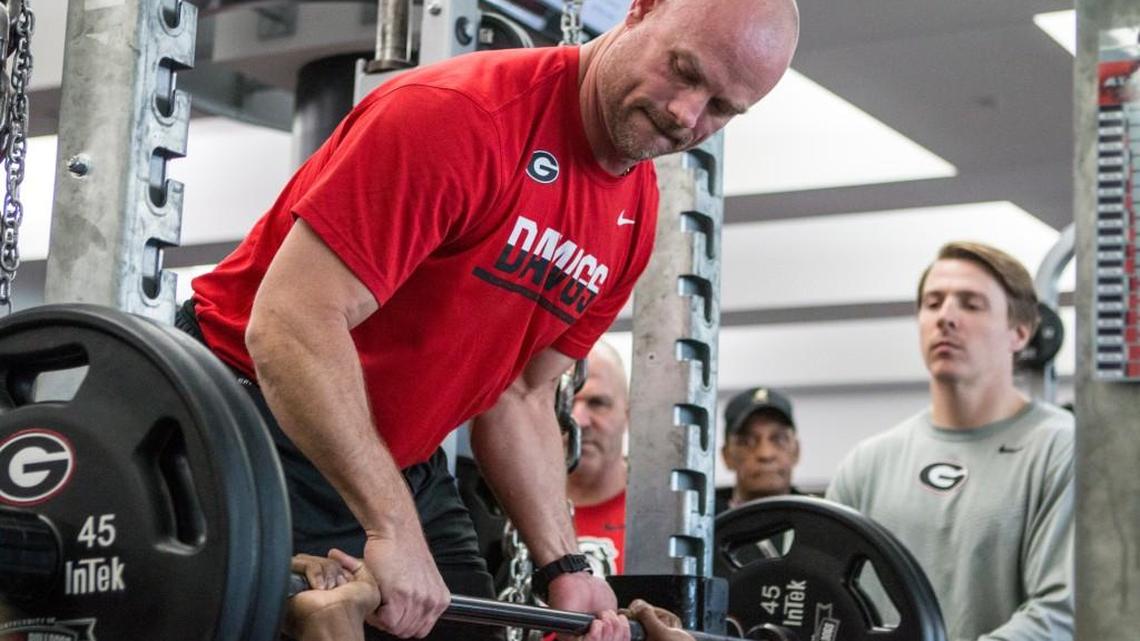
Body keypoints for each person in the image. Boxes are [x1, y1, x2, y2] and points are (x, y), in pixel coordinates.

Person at [179, 0, 801, 638]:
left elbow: (523, 395)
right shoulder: (460, 117)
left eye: (723, 108)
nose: (686, 114)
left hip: (398, 455)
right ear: (639, 11)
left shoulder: (636, 217)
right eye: (684, 71)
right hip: (247, 415)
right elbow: (291, 324)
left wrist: (565, 562)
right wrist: (389, 526)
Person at [826, 241, 1074, 641]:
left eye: (971, 304)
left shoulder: (1061, 450)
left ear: (1019, 333)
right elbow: (821, 599)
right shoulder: (868, 463)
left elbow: (1061, 615)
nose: (946, 317)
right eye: (933, 302)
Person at [567, 341, 630, 576]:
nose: (578, 420)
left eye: (597, 403)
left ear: (628, 415)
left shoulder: (661, 518)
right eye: (566, 401)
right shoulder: (512, 514)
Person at [715, 386, 802, 514]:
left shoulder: (821, 522)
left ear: (796, 451)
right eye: (747, 442)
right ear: (726, 456)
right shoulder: (698, 525)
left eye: (779, 439)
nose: (765, 454)